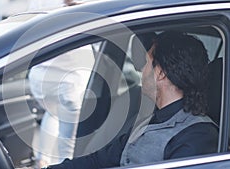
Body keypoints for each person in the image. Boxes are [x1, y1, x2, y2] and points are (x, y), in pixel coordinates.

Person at [44, 31, 219, 169]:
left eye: (146, 63)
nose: (141, 71)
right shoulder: (146, 121)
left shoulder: (197, 135)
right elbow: (98, 161)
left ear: (160, 73)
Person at [29, 45, 95, 168]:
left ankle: (42, 159)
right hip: (71, 81)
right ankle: (64, 163)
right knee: (68, 141)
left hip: (40, 79)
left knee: (52, 113)